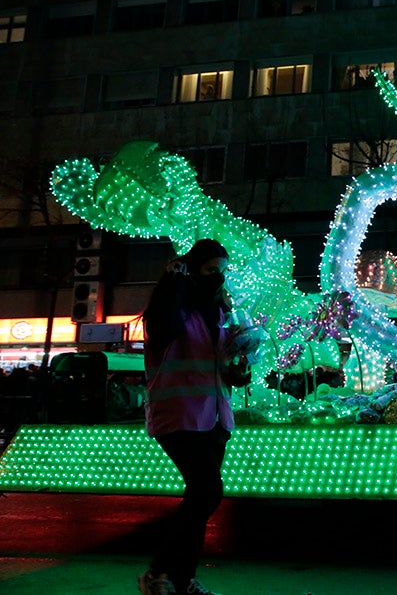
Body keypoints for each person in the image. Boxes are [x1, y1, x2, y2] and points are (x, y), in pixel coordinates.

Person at [138, 239, 252, 595]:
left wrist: (240, 368)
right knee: (206, 490)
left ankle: (182, 579)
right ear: (191, 270)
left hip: (215, 417)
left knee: (203, 497)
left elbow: (221, 367)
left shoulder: (216, 314)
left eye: (222, 271)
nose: (218, 278)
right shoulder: (170, 310)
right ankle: (158, 572)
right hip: (178, 415)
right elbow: (163, 332)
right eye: (210, 270)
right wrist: (174, 282)